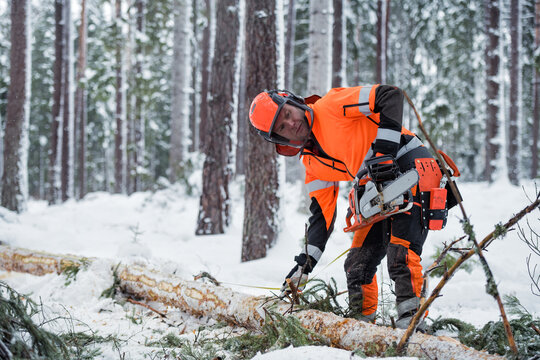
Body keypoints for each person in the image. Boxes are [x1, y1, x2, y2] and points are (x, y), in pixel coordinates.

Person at [248, 85, 446, 329]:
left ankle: (412, 330)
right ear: (280, 139)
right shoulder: (311, 163)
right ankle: (362, 330)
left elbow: (390, 96)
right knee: (357, 266)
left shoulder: (332, 105)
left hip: (411, 165)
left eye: (287, 114)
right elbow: (322, 218)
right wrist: (304, 265)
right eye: (281, 127)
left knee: (401, 255)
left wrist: (384, 151)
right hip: (378, 190)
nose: (291, 124)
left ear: (293, 102)